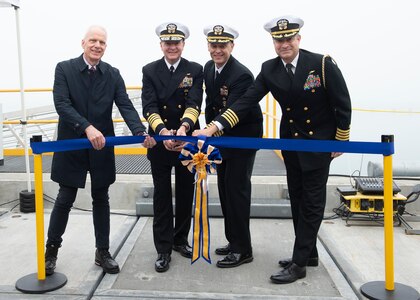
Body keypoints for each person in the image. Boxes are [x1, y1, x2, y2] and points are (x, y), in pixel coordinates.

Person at [193, 15, 352, 283]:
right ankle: (309, 253)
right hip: (289, 142)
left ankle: (299, 263)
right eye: (279, 40)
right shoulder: (270, 69)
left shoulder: (321, 64)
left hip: (318, 143)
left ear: (298, 39)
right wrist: (213, 127)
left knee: (312, 203)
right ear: (273, 42)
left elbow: (342, 101)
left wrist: (341, 139)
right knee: (298, 199)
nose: (284, 44)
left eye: (289, 38)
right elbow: (246, 101)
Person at [45, 25, 156, 276]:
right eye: (93, 40)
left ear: (106, 46)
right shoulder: (65, 68)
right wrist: (86, 127)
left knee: (101, 198)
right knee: (65, 198)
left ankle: (102, 252)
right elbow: (61, 103)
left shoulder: (112, 74)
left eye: (102, 42)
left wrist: (140, 132)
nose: (97, 45)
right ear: (83, 42)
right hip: (72, 143)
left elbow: (125, 105)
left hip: (101, 145)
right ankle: (51, 251)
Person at [141, 22, 203, 272]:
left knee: (187, 193)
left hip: (185, 140)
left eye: (176, 42)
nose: (172, 47)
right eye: (167, 43)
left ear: (183, 44)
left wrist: (184, 129)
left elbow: (195, 101)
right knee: (162, 195)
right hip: (160, 140)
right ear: (161, 45)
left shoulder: (195, 69)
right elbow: (149, 106)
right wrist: (164, 132)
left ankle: (180, 239)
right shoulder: (149, 70)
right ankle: (163, 249)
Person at [201, 24, 263, 268]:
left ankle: (242, 249)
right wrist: (210, 129)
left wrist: (209, 130)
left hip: (243, 138)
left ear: (232, 46)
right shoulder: (209, 68)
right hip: (222, 137)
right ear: (208, 46)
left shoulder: (241, 74)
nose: (217, 50)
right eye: (213, 45)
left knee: (237, 192)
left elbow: (234, 110)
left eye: (222, 46)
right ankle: (233, 240)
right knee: (226, 191)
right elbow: (212, 103)